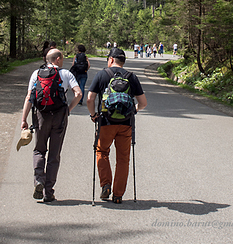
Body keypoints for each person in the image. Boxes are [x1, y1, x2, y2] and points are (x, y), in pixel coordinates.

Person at [87, 47, 147, 204]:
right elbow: (143, 103)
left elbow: (90, 99)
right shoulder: (131, 77)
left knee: (102, 151)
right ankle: (118, 194)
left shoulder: (102, 74)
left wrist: (93, 115)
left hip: (106, 122)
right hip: (126, 124)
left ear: (111, 59)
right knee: (123, 159)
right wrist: (133, 110)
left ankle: (105, 184)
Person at [21, 48, 82, 202]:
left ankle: (39, 180)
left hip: (41, 115)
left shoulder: (36, 74)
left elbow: (29, 97)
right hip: (60, 117)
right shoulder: (66, 74)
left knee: (39, 150)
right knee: (54, 155)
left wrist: (24, 119)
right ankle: (49, 192)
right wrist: (68, 109)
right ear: (58, 59)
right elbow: (78, 94)